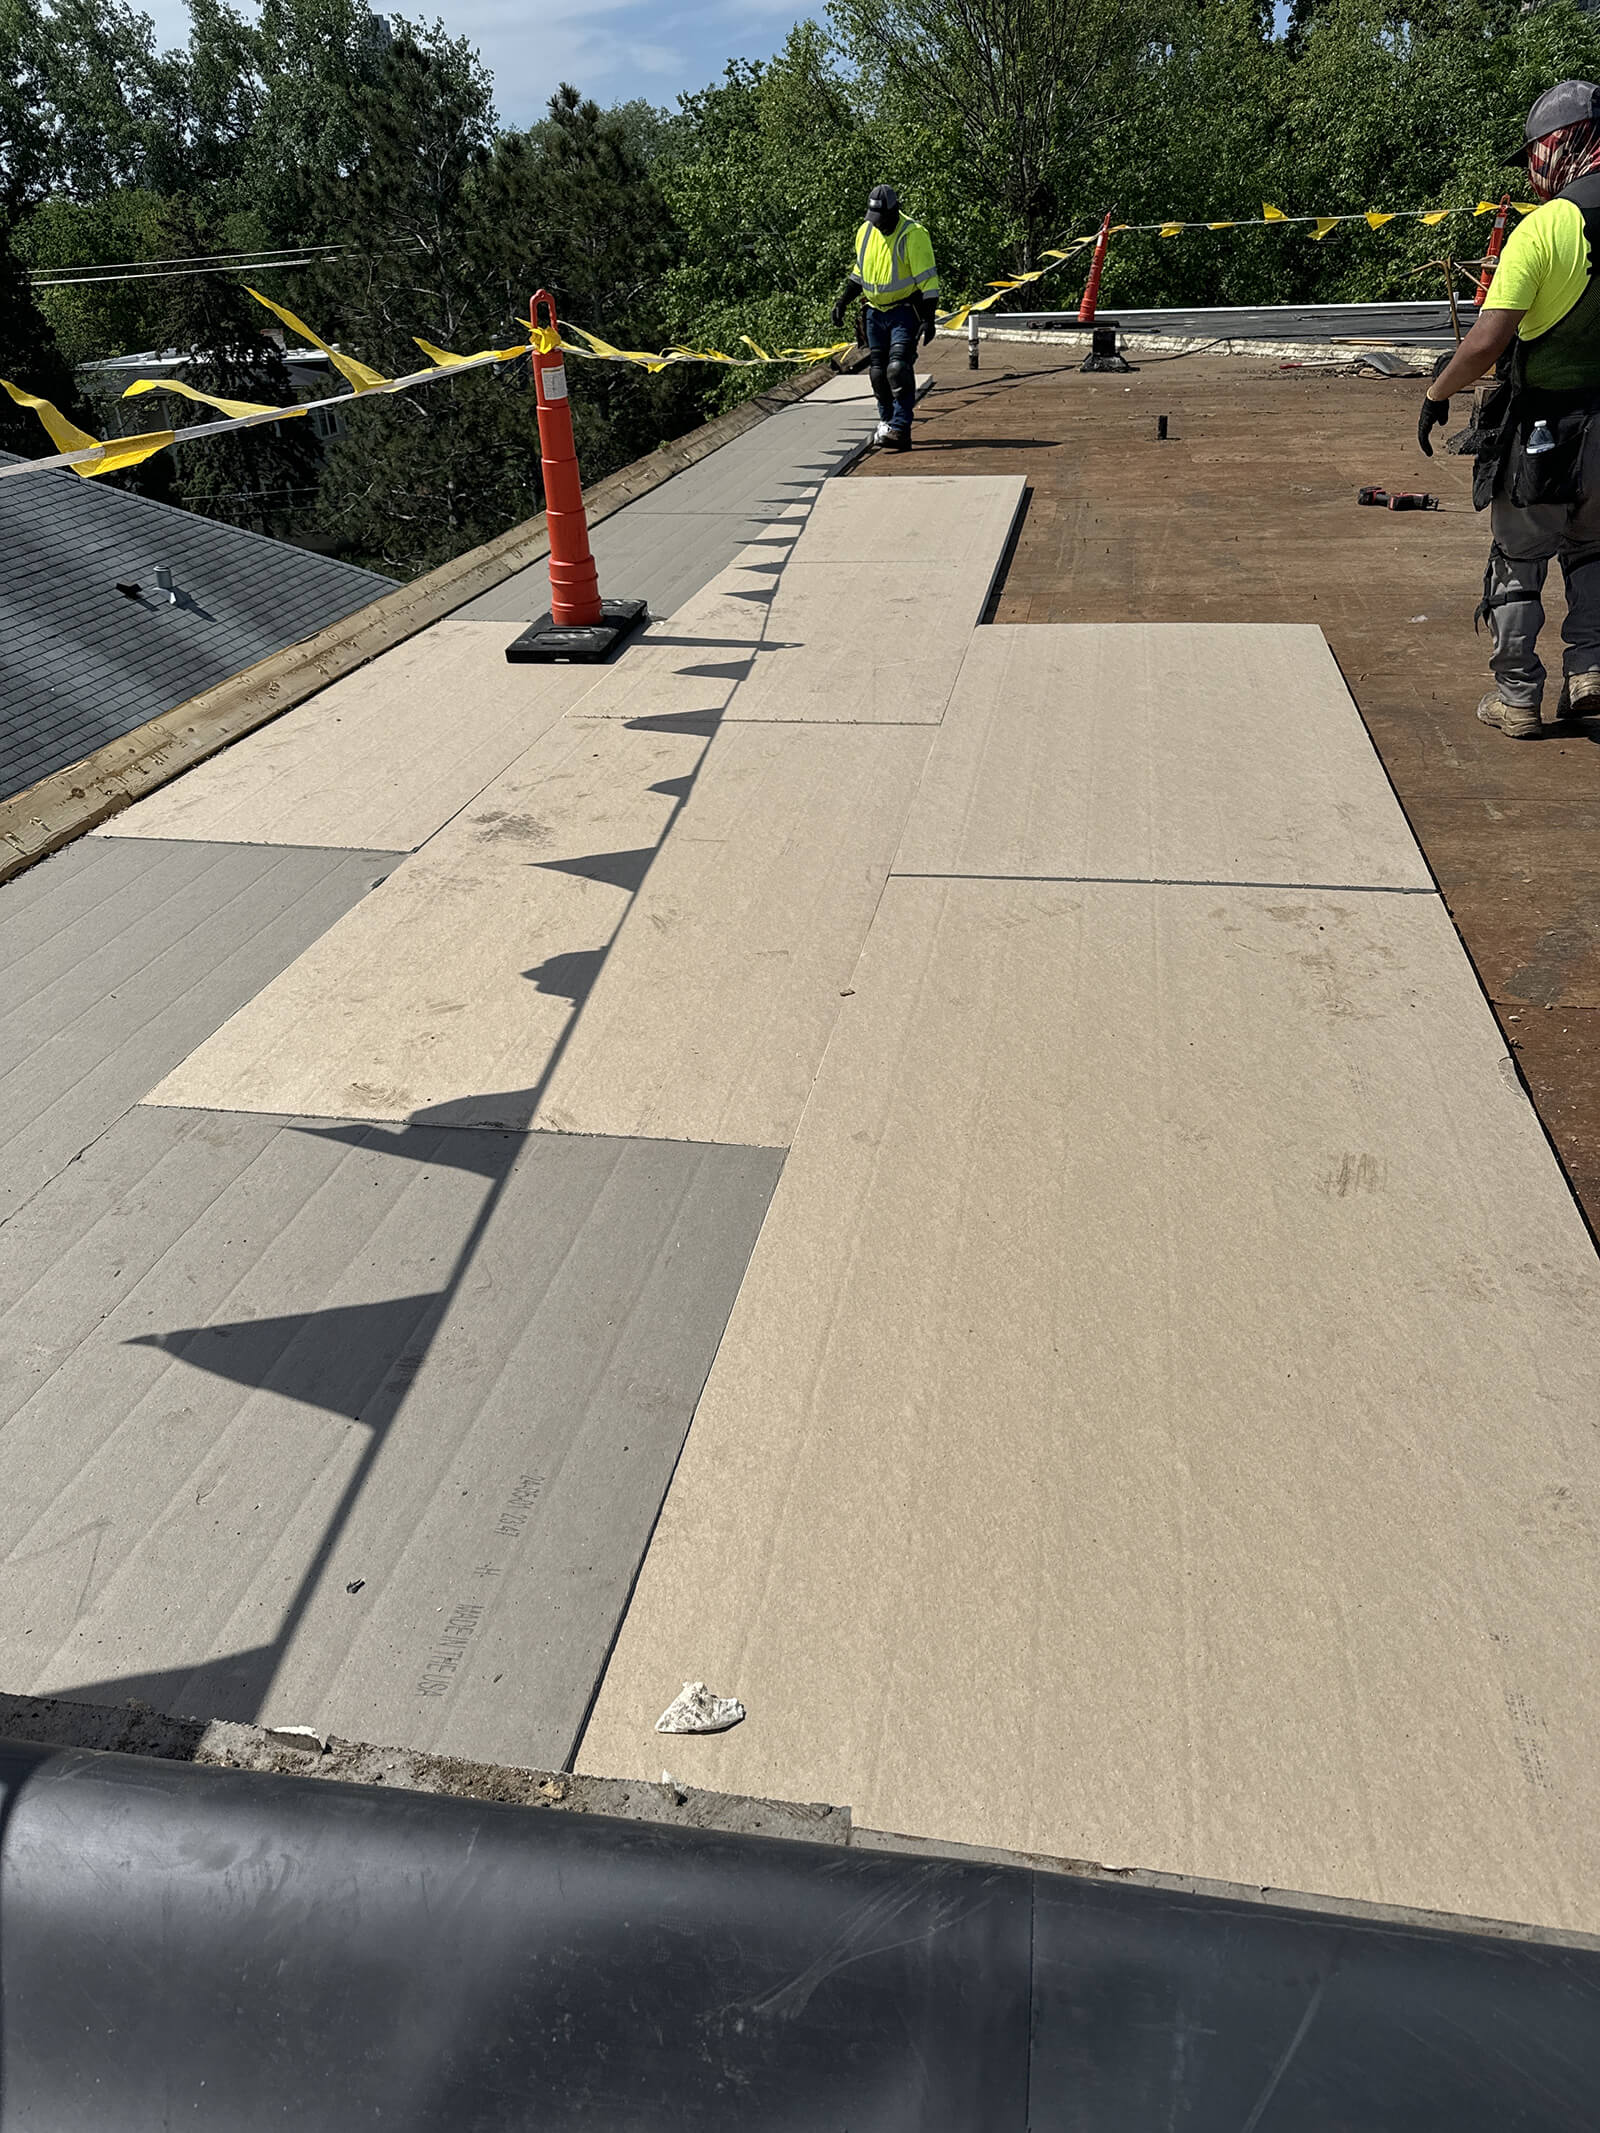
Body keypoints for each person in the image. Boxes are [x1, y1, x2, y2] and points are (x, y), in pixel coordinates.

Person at [1420, 80, 1600, 738]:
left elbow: (1487, 343)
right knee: (1593, 550)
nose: (1533, 166)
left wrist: (1438, 393)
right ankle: (1590, 670)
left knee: (1517, 558)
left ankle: (1518, 696)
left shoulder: (1544, 229)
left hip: (1543, 431)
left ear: (1562, 144)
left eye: (1535, 151)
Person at [832, 185, 941, 451]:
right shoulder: (866, 231)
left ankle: (901, 428)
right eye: (874, 219)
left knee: (898, 368)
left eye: (882, 219)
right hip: (873, 311)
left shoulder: (913, 235)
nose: (878, 225)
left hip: (904, 310)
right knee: (878, 373)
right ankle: (888, 422)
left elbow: (928, 282)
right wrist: (842, 301)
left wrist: (929, 318)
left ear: (894, 211)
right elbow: (859, 272)